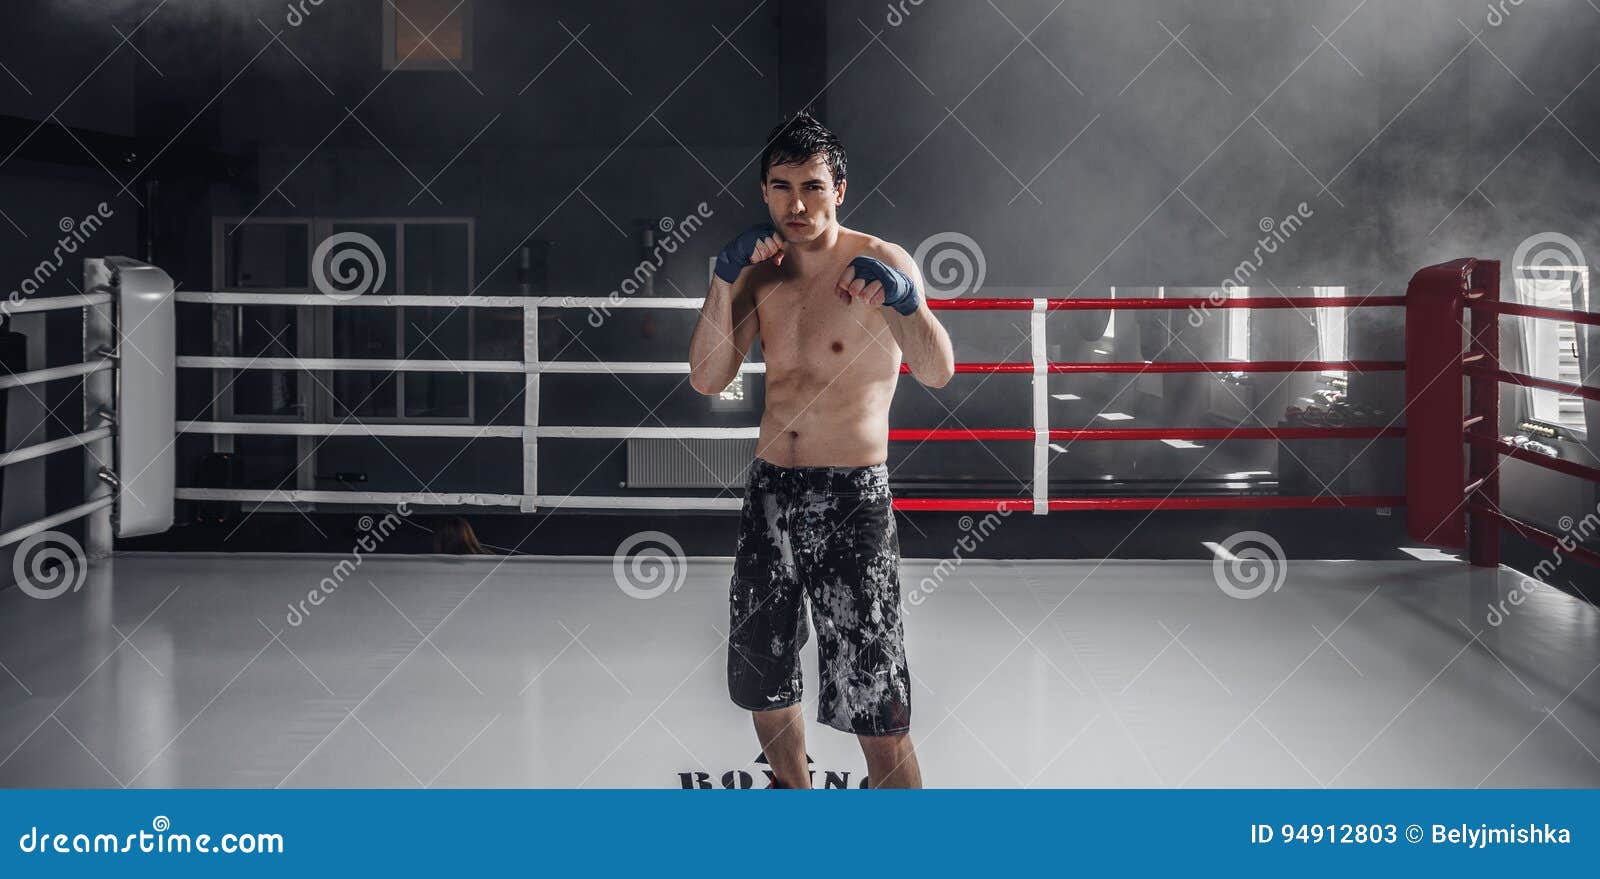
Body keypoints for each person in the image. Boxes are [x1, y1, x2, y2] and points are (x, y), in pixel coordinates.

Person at [688, 110, 955, 789]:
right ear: (764, 191)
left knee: (876, 693)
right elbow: (707, 377)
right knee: (763, 672)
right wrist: (721, 281)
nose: (796, 203)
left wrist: (907, 304)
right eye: (781, 187)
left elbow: (937, 370)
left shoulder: (882, 261)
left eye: (811, 186)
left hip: (852, 497)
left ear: (840, 187)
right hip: (771, 489)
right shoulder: (756, 270)